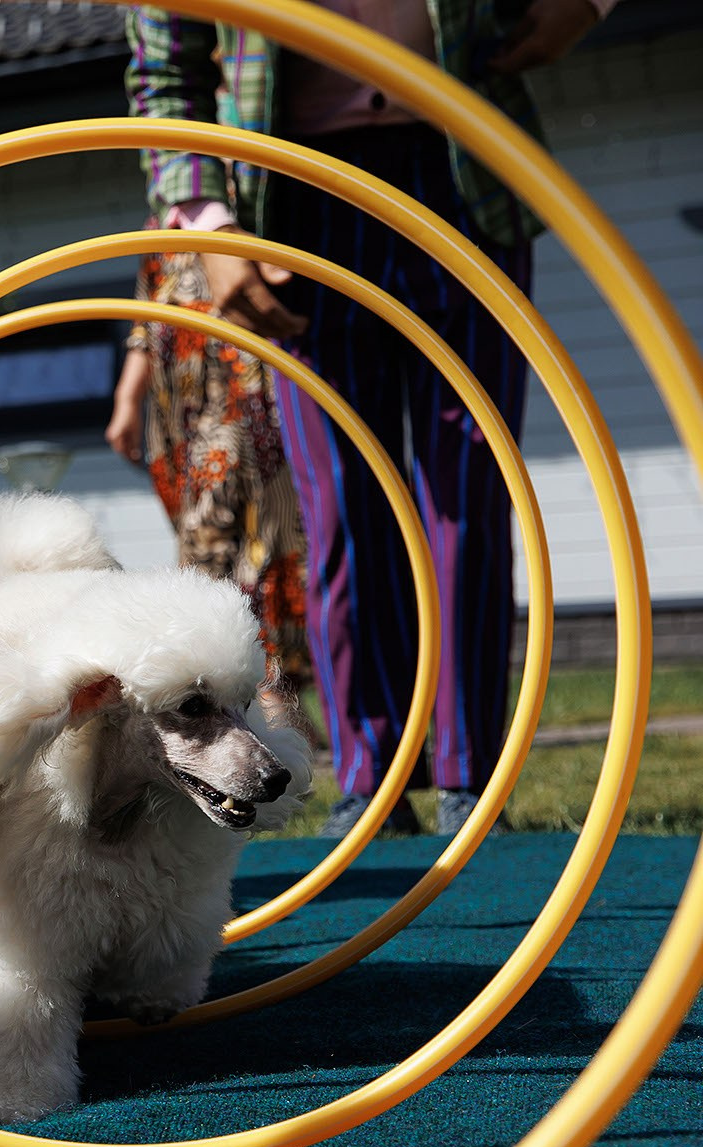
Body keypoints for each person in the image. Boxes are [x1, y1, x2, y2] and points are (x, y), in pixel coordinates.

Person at [125, 0, 617, 838]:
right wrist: (209, 223)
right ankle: (374, 778)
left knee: (469, 493)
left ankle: (470, 775)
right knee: (342, 504)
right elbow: (163, 69)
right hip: (297, 193)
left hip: (460, 171)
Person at [105, 244, 312, 702]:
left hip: (244, 383)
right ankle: (232, 690)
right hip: (178, 406)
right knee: (200, 536)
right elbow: (146, 316)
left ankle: (267, 689)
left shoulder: (244, 187)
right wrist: (127, 397)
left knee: (240, 535)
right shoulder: (169, 208)